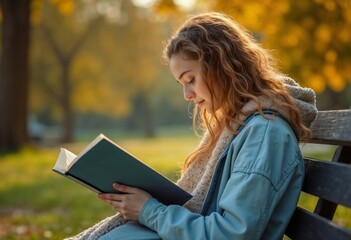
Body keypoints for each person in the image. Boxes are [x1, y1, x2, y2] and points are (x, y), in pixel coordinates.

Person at [66, 12, 317, 240]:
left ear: (221, 65)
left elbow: (231, 234)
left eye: (191, 79)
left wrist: (148, 211)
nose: (187, 94)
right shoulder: (241, 125)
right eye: (182, 84)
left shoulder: (265, 134)